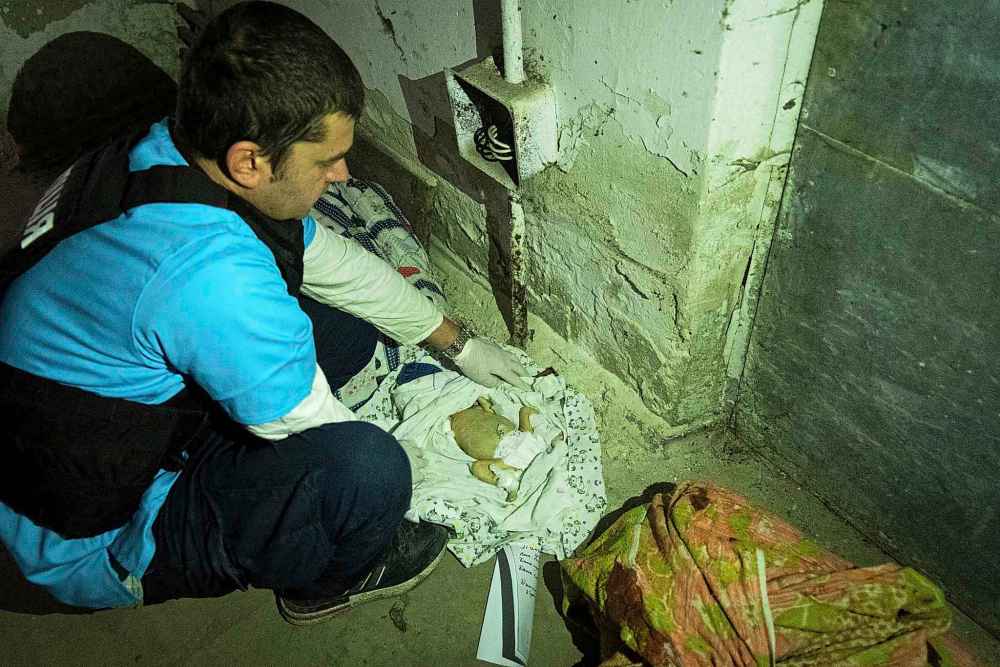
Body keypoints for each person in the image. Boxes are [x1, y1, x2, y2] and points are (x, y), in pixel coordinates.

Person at [0, 1, 529, 625]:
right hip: (84, 534)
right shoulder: (211, 275)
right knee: (369, 474)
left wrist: (456, 342)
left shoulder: (165, 148)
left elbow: (328, 260)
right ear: (249, 161)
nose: (343, 175)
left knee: (340, 327)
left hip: (67, 405)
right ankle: (323, 585)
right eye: (324, 161)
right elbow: (315, 426)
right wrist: (433, 453)